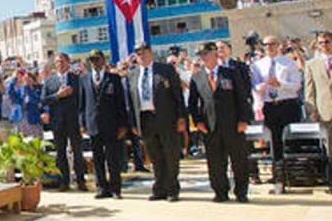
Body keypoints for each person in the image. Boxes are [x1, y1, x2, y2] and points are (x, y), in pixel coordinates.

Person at [188, 43, 252, 203]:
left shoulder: (230, 73)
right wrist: (197, 122)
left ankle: (241, 191)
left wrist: (244, 120)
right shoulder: (197, 77)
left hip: (233, 124)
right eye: (201, 55)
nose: (203, 57)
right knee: (215, 162)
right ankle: (220, 191)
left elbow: (241, 98)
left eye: (206, 54)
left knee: (239, 161)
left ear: (215, 54)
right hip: (210, 127)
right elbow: (193, 103)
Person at [129, 43, 187, 201]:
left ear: (151, 53)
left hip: (166, 117)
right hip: (145, 119)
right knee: (155, 156)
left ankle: (172, 189)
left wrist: (181, 117)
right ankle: (159, 188)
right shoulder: (133, 74)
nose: (141, 55)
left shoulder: (165, 69)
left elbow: (177, 95)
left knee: (170, 153)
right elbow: (131, 101)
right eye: (138, 53)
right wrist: (134, 123)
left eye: (144, 52)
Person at [250, 35, 302, 194]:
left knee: (290, 142)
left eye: (272, 44)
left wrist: (280, 84)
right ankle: (278, 178)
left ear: (278, 45)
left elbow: (296, 86)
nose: (269, 47)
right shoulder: (258, 65)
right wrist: (262, 85)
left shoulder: (288, 62)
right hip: (270, 106)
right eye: (265, 45)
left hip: (287, 104)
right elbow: (255, 85)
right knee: (274, 142)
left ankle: (292, 175)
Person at [79, 50, 130, 199]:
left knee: (112, 158)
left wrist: (123, 125)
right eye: (92, 60)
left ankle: (115, 188)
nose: (95, 63)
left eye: (97, 59)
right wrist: (82, 123)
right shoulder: (84, 79)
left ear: (103, 60)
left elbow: (121, 103)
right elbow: (82, 105)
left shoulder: (113, 78)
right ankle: (101, 187)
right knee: (98, 158)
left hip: (111, 124)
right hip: (93, 124)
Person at [41, 53, 86, 192]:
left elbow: (82, 100)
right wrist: (58, 95)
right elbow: (44, 100)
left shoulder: (77, 79)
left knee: (78, 152)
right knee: (60, 153)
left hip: (73, 121)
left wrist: (82, 121)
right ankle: (64, 181)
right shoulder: (49, 81)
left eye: (62, 61)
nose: (59, 64)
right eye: (57, 62)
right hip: (58, 122)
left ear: (68, 62)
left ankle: (80, 180)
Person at [304, 31, 332, 134]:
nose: (324, 45)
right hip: (324, 111)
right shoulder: (311, 64)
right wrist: (312, 110)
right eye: (320, 43)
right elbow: (309, 90)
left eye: (327, 42)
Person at [7, 68, 43, 138]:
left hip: (32, 120)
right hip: (19, 120)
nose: (27, 80)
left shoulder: (38, 90)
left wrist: (27, 86)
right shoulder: (19, 90)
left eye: (29, 78)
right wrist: (14, 78)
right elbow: (9, 93)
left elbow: (34, 100)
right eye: (25, 78)